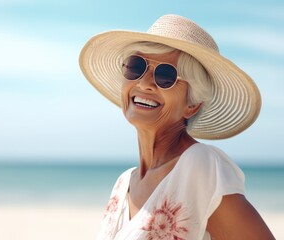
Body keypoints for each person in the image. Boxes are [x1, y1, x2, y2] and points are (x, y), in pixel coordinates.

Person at [79, 14, 275, 239]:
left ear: (192, 104)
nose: (144, 83)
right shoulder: (124, 183)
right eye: (136, 67)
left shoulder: (201, 167)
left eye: (165, 75)